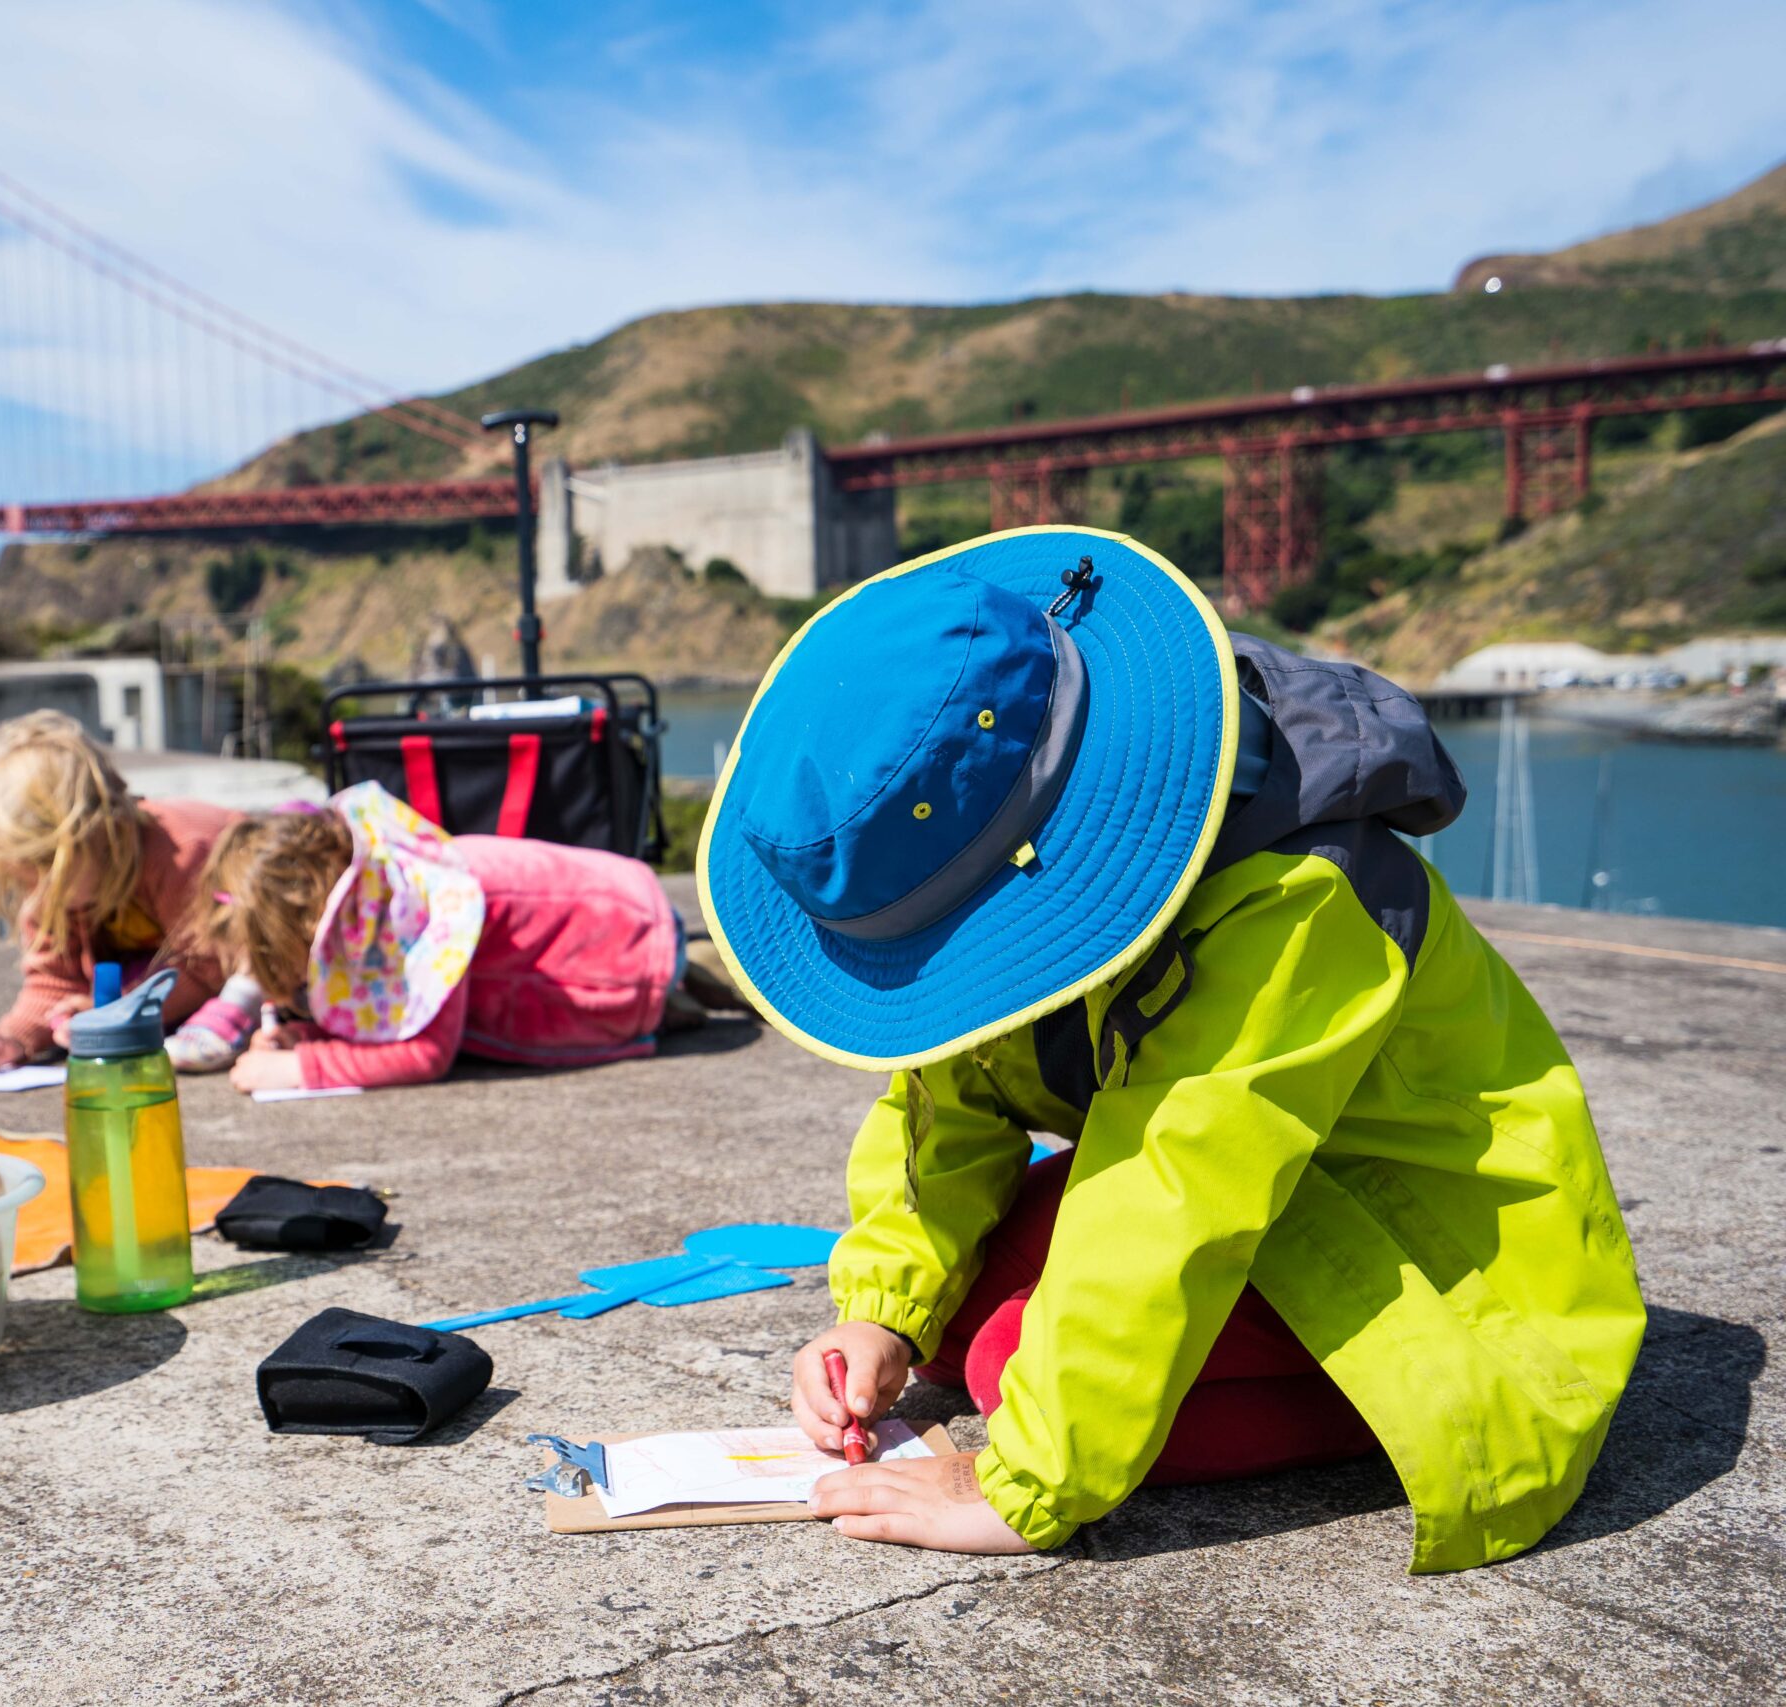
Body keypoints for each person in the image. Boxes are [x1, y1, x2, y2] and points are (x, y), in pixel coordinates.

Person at [697, 526, 1643, 1573]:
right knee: (950, 1321)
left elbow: (1179, 1181)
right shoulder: (1019, 821)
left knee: (1015, 1360)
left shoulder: (1291, 894)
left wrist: (1021, 1481)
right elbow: (951, 1092)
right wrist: (881, 1312)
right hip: (1279, 1187)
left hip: (1430, 1245)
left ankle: (1440, 1404)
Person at [185, 782, 734, 1093]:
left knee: (678, 980)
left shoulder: (420, 919)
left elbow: (426, 1052)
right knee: (685, 971)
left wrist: (303, 1068)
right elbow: (389, 1011)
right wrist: (311, 1036)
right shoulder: (383, 892)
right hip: (620, 910)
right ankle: (689, 978)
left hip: (623, 952)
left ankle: (684, 985)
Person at [0, 710, 260, 1072]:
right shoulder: (59, 884)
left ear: (103, 835)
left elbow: (211, 967)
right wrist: (16, 1038)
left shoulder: (182, 853)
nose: (37, 896)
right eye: (22, 881)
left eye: (44, 872)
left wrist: (112, 1012)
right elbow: (55, 980)